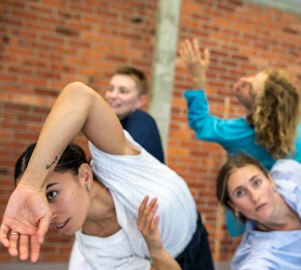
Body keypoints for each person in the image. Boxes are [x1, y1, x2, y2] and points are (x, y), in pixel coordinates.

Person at [0, 82, 214, 269]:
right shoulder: (95, 249)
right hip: (170, 259)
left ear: (84, 175)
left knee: (141, 121)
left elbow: (79, 95)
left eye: (52, 194)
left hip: (197, 235)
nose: (47, 215)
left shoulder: (113, 163)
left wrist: (31, 185)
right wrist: (155, 249)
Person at [179, 39, 301, 170]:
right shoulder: (295, 125)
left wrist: (198, 77)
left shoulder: (243, 134)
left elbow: (201, 122)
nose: (243, 79)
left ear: (261, 110)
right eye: (253, 76)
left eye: (250, 89)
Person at [216, 154, 301, 269]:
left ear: (270, 180)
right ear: (234, 206)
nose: (255, 197)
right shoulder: (258, 255)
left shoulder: (289, 172)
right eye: (240, 193)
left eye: (256, 182)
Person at [105, 66, 165, 163]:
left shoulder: (142, 122)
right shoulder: (115, 124)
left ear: (141, 100)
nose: (113, 95)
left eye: (123, 91)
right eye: (110, 89)